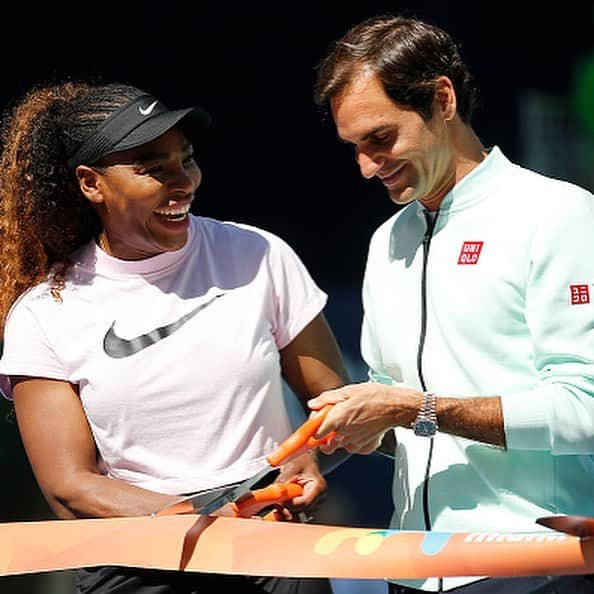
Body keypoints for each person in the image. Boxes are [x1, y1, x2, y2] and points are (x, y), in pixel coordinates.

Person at [0, 80, 350, 594]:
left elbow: (333, 410)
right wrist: (201, 517)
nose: (182, 181)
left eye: (186, 160)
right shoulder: (42, 314)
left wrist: (308, 459)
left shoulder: (260, 255)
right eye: (152, 168)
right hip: (136, 563)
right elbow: (67, 488)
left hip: (271, 547)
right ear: (91, 183)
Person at [308, 13, 594, 594]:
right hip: (410, 570)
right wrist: (360, 431)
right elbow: (402, 412)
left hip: (533, 567)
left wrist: (414, 408)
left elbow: (583, 409)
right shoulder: (386, 240)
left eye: (380, 138)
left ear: (443, 99)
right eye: (354, 147)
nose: (366, 166)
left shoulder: (558, 214)